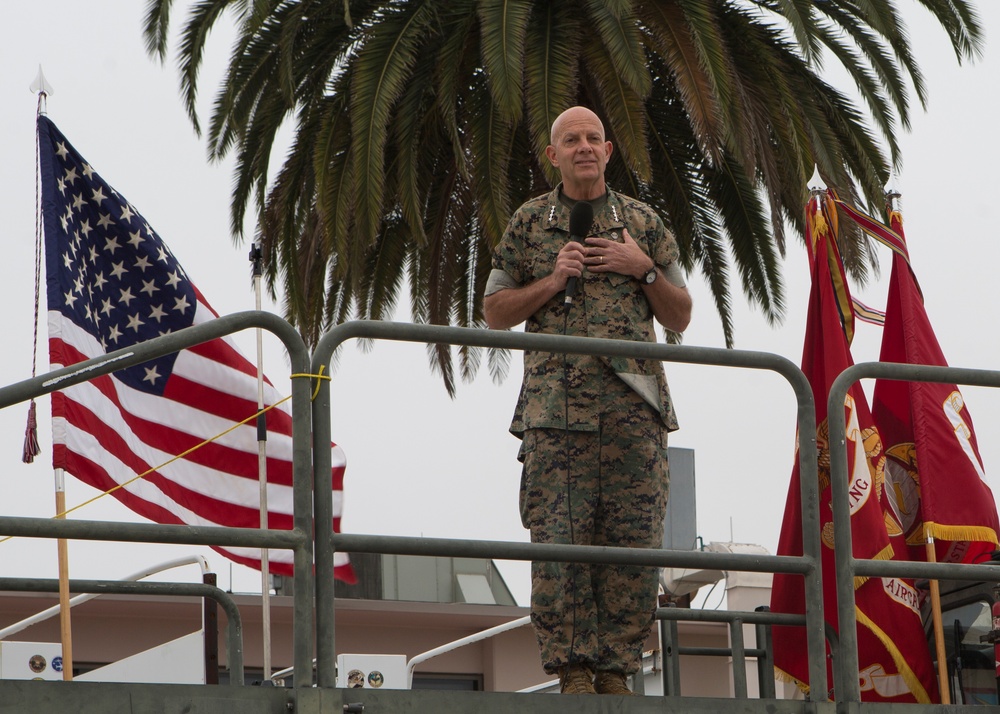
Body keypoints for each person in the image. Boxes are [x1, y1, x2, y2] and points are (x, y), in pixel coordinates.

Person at [483, 106, 692, 695]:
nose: (583, 147)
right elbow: (493, 314)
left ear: (609, 150)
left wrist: (643, 269)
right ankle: (573, 669)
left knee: (633, 544)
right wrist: (552, 280)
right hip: (556, 412)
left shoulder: (643, 223)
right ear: (552, 155)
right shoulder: (530, 223)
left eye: (593, 138)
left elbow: (681, 314)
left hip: (634, 412)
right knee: (560, 543)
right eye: (570, 139)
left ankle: (616, 670)